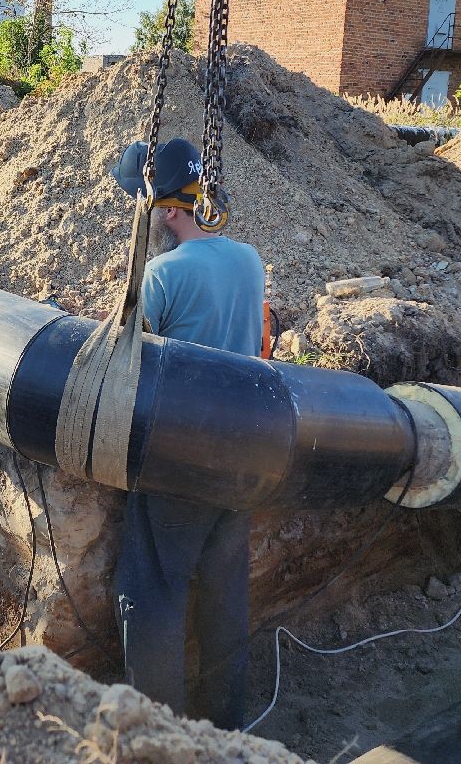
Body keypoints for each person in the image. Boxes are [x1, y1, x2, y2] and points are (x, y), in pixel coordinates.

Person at [109, 136, 265, 730]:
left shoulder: (162, 276)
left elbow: (126, 359)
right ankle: (228, 726)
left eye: (146, 206)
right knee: (225, 594)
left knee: (152, 590)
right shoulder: (248, 259)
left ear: (168, 210)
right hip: (248, 451)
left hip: (179, 457)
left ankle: (159, 733)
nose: (143, 217)